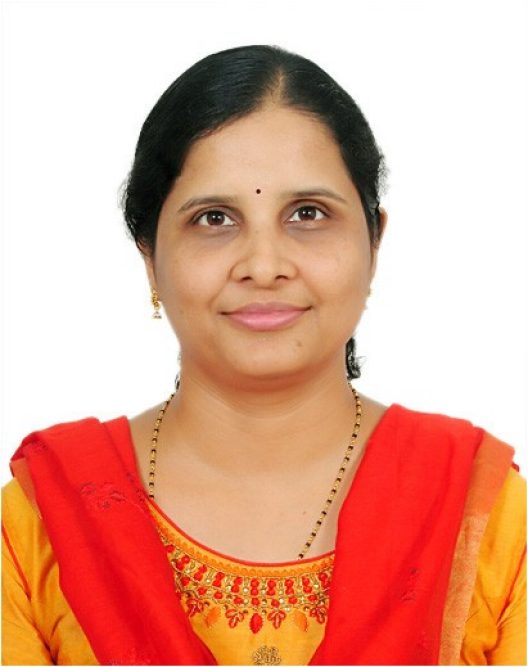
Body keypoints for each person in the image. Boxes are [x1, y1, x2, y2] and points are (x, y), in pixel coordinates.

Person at [1, 44, 525, 667]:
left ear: (374, 243)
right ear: (150, 257)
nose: (264, 265)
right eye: (214, 219)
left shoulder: (487, 517)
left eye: (307, 213)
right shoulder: (38, 526)